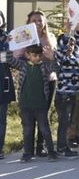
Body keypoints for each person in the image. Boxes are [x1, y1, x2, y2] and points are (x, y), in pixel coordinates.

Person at [8, 44, 59, 162]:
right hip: (26, 104)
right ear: (27, 55)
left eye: (39, 55)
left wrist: (52, 58)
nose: (37, 58)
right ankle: (27, 153)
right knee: (27, 130)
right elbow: (10, 59)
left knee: (44, 129)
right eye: (34, 55)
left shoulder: (44, 66)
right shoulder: (24, 65)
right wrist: (14, 45)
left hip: (40, 104)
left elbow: (56, 69)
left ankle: (51, 152)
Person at [53, 34, 79, 158]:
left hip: (72, 93)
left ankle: (64, 145)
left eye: (72, 44)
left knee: (67, 122)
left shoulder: (75, 56)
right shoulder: (60, 57)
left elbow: (78, 45)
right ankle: (62, 147)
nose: (71, 46)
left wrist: (77, 30)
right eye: (68, 43)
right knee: (64, 122)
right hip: (63, 95)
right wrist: (67, 36)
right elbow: (61, 53)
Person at [0, 11, 15, 160]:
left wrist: (9, 45)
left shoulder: (8, 37)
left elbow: (7, 59)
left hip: (2, 79)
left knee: (1, 117)